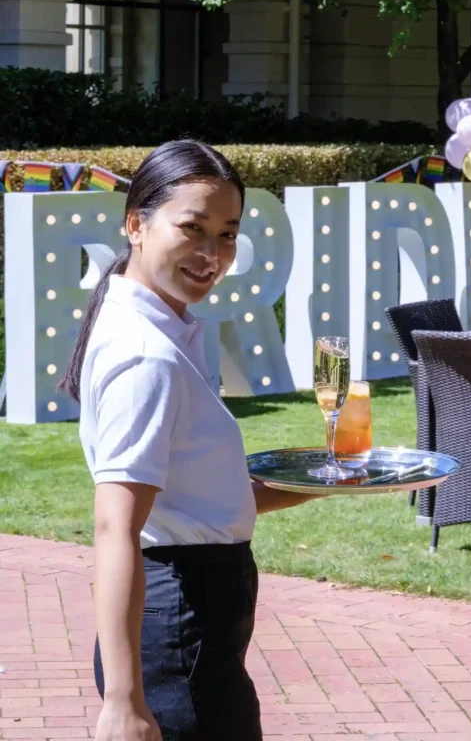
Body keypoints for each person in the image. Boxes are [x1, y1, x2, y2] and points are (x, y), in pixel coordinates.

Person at [60, 140, 315, 741]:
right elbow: (115, 528)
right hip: (177, 630)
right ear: (136, 225)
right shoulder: (146, 355)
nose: (212, 254)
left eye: (228, 234)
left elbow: (202, 500)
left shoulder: (164, 327)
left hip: (192, 626)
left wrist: (328, 479)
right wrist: (123, 703)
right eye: (192, 228)